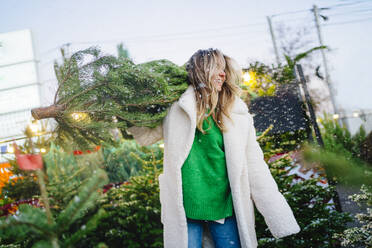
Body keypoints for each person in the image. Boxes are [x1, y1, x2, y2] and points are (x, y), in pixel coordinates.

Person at [127, 48, 301, 248]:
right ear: (201, 70)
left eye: (224, 69)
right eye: (217, 68)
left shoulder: (235, 112)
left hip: (224, 208)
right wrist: (126, 106)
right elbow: (144, 136)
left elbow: (256, 167)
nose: (222, 74)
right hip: (185, 208)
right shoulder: (176, 108)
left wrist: (279, 217)